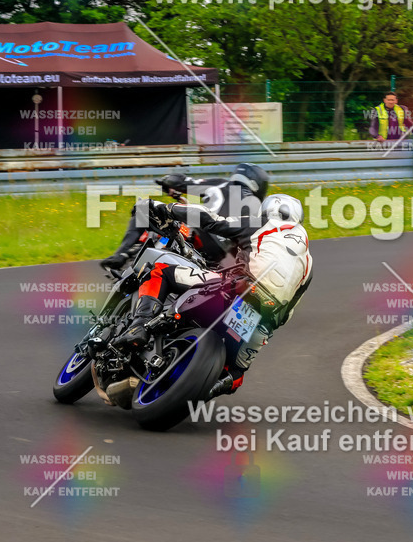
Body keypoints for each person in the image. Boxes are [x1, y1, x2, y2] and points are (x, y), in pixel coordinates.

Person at [113, 193, 313, 398]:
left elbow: (210, 219)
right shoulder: (308, 262)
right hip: (266, 315)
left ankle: (139, 326)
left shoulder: (263, 224)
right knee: (235, 374)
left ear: (268, 210)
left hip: (238, 287)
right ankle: (207, 388)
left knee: (159, 270)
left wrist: (164, 209)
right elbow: (287, 314)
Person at [99, 163, 270, 271]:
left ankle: (121, 254)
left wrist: (168, 181)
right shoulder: (257, 211)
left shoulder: (222, 184)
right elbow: (242, 245)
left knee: (144, 209)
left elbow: (184, 182)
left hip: (196, 231)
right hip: (213, 256)